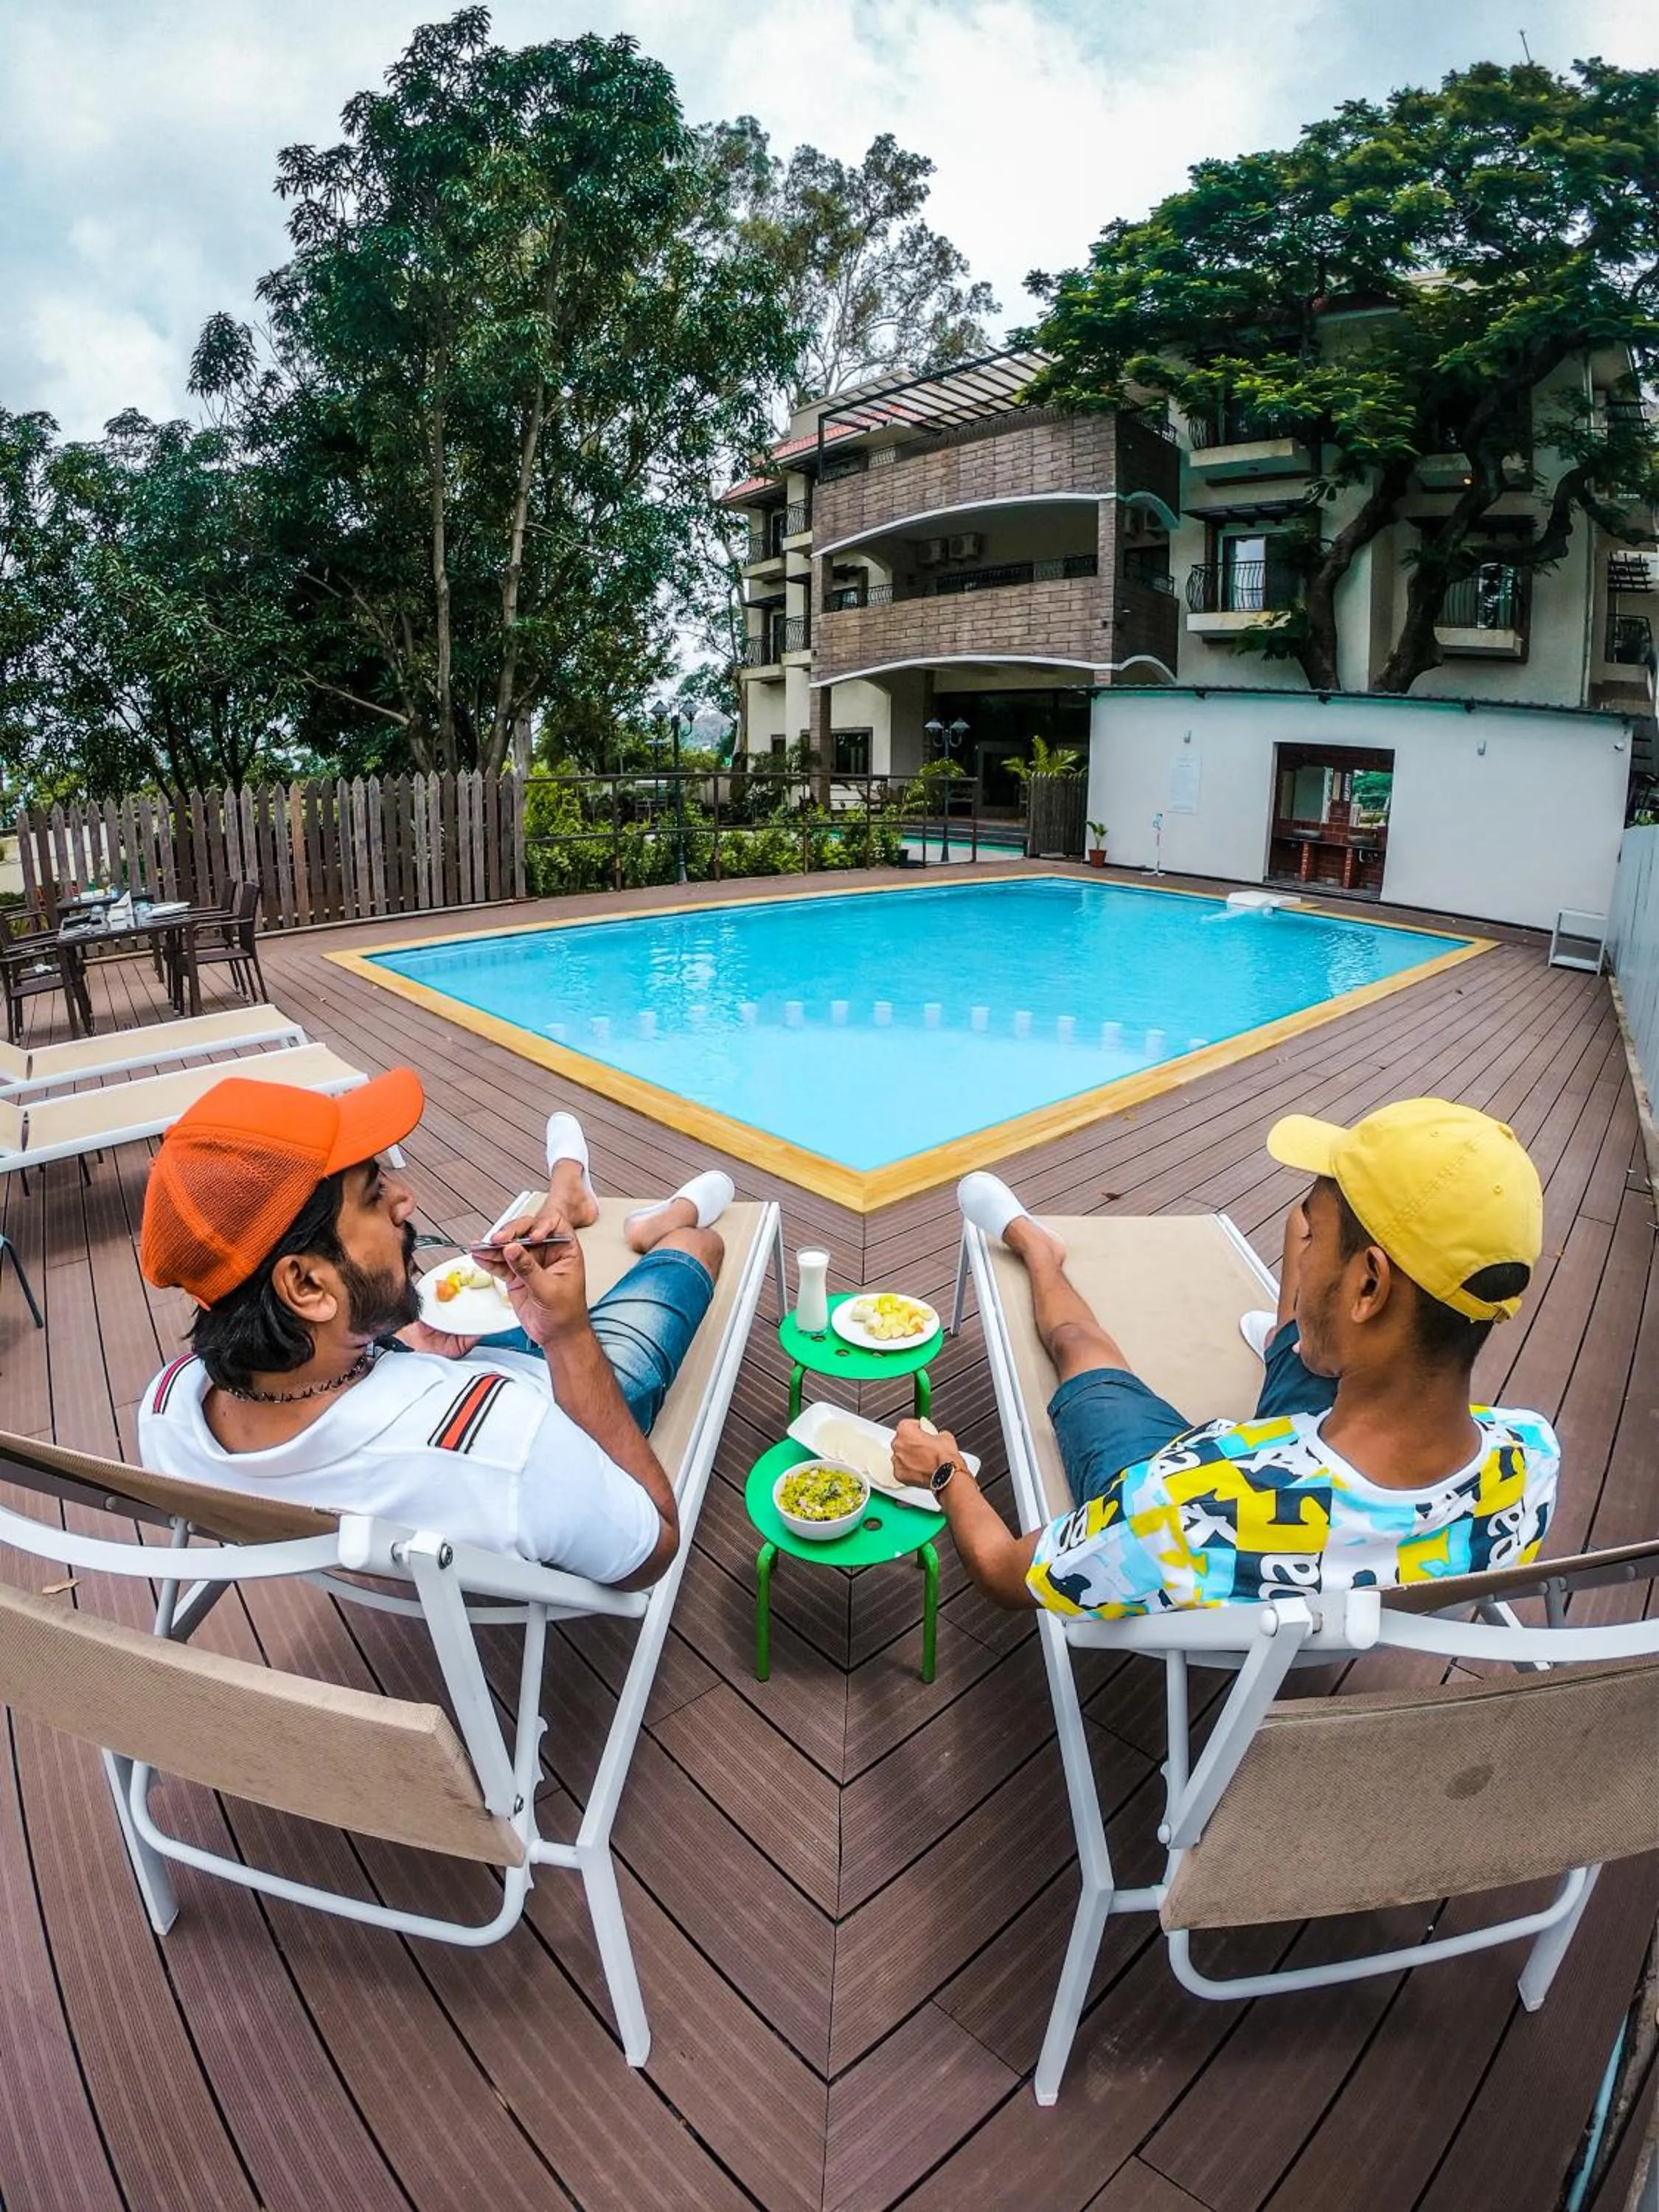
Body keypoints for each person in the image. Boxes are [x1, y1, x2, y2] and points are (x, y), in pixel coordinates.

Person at [892, 1098, 1559, 1618]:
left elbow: (1006, 1571)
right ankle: (1284, 1344)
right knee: (1307, 1354)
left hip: (1244, 1489)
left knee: (1080, 1348)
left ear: (1368, 1285)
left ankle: (1041, 1251)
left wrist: (946, 1471)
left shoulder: (1183, 1500)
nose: (1302, 1240)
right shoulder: (1532, 1457)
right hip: (1321, 1481)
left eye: (1316, 1232)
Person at [138, 1071, 734, 1587]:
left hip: (454, 1382)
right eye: (374, 1195)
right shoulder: (501, 1445)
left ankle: (570, 1192)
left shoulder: (168, 1413)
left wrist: (400, 1346)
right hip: (578, 1409)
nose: (404, 1197)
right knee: (698, 1246)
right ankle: (661, 1224)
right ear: (307, 1287)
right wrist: (569, 1335)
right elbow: (653, 1542)